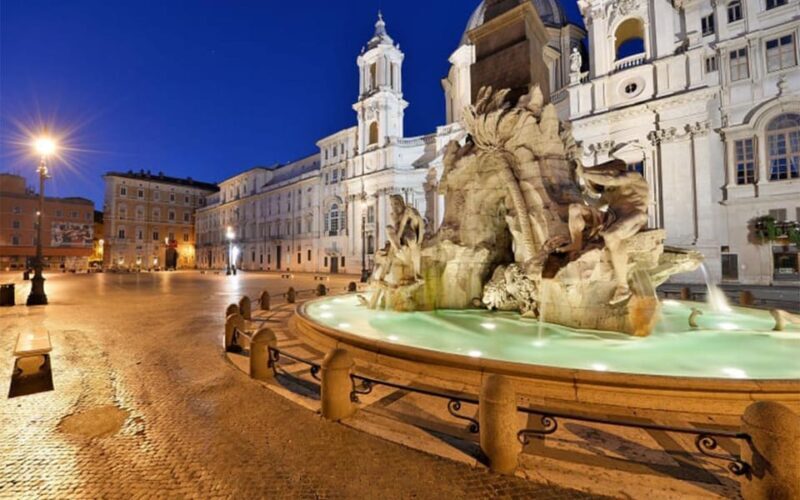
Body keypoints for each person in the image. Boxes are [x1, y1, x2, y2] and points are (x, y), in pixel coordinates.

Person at [555, 159, 650, 304]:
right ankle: (576, 243)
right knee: (575, 208)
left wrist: (584, 172)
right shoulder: (610, 190)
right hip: (612, 217)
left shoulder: (633, 176)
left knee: (612, 235)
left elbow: (612, 179)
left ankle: (623, 286)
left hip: (635, 216)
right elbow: (597, 204)